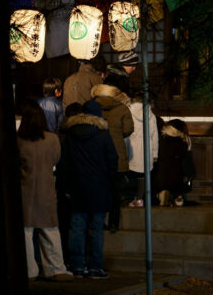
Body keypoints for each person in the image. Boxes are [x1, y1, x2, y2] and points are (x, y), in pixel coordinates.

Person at [59, 99, 117, 279]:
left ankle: (77, 265)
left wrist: (64, 186)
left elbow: (64, 164)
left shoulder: (70, 135)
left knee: (77, 227)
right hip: (99, 187)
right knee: (97, 228)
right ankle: (95, 267)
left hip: (77, 187)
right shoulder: (103, 135)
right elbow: (112, 162)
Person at [17, 101, 74, 282]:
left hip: (24, 189)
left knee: (25, 232)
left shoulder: (17, 141)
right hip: (46, 188)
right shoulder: (52, 139)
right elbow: (56, 160)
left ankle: (28, 271)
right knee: (50, 230)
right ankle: (55, 268)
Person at [91, 77, 133, 231]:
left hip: (98, 153)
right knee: (116, 193)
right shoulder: (122, 108)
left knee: (99, 190)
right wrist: (117, 134)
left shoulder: (92, 107)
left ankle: (98, 222)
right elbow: (129, 129)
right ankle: (114, 223)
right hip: (117, 152)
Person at [125, 90, 158, 208]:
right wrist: (155, 153)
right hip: (146, 147)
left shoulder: (127, 111)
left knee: (129, 172)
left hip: (131, 145)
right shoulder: (151, 114)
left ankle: (129, 196)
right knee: (143, 175)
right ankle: (139, 198)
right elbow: (154, 135)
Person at [154, 119, 196, 207]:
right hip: (178, 178)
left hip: (160, 177)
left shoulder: (160, 139)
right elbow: (188, 163)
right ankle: (178, 197)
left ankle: (162, 194)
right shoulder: (184, 141)